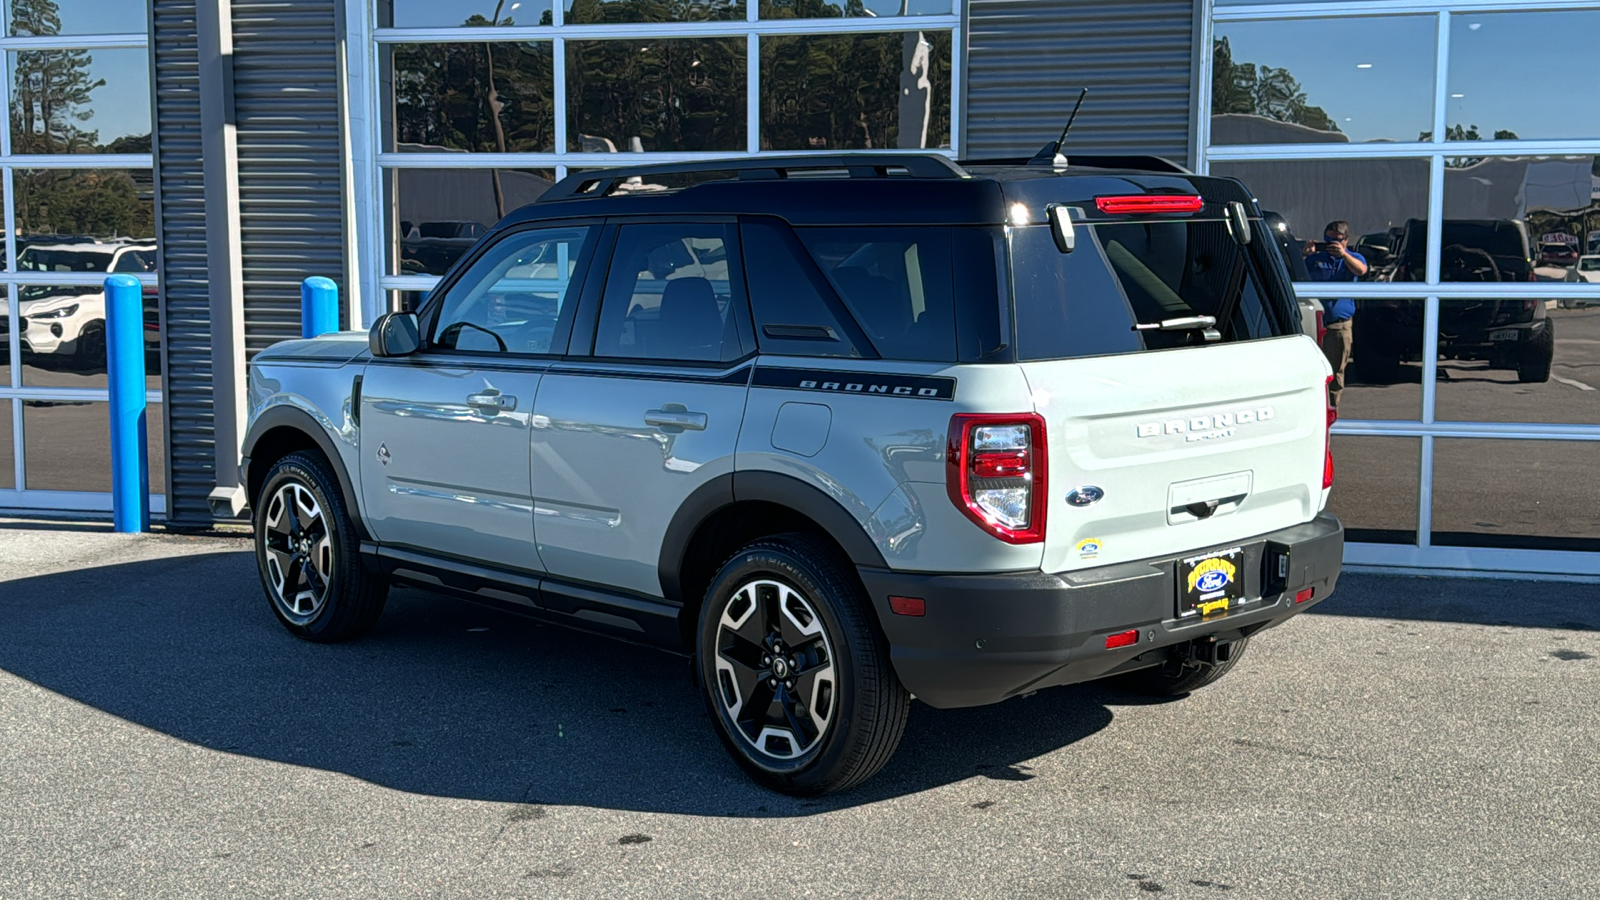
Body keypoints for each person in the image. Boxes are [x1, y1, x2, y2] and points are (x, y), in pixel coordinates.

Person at [1303, 221, 1368, 408]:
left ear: (1346, 240)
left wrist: (1344, 254)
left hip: (1339, 325)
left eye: (1337, 241)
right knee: (1311, 370)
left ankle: (1331, 408)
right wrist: (1304, 254)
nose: (1331, 244)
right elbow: (1293, 275)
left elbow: (1361, 270)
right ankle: (1312, 408)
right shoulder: (1315, 259)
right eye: (1328, 240)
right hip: (1313, 322)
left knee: (1335, 370)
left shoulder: (1353, 258)